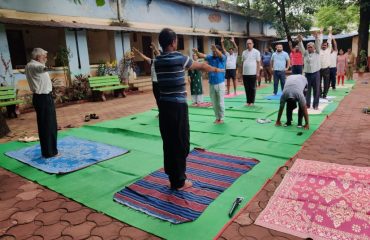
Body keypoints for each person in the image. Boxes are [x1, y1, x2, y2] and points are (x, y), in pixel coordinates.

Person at [154, 28, 224, 190]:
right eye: (176, 40)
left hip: (163, 106)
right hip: (177, 106)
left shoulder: (157, 60)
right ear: (173, 42)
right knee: (181, 142)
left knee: (169, 142)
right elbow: (200, 66)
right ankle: (179, 181)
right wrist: (215, 69)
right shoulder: (179, 58)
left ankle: (173, 176)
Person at [25, 48, 58, 158]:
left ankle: (52, 150)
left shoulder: (34, 65)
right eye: (44, 56)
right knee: (47, 126)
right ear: (38, 57)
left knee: (51, 125)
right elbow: (39, 68)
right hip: (42, 98)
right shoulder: (33, 65)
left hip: (46, 97)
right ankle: (49, 152)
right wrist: (46, 67)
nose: (46, 58)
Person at [193, 44, 227, 123]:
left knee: (220, 102)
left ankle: (221, 118)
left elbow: (220, 55)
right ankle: (217, 117)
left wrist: (216, 49)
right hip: (212, 83)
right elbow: (201, 55)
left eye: (215, 51)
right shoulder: (210, 57)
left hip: (220, 83)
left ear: (219, 51)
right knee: (214, 103)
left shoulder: (223, 58)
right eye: (213, 51)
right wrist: (197, 52)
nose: (214, 53)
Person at [298, 32, 322, 110]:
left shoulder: (317, 52)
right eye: (308, 47)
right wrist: (300, 41)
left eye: (311, 47)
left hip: (316, 74)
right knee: (307, 91)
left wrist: (316, 38)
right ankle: (307, 104)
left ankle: (315, 105)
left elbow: (318, 44)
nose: (309, 48)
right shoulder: (305, 54)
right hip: (307, 74)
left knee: (316, 90)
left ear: (314, 48)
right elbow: (301, 47)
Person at [132, 43, 160, 108]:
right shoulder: (152, 61)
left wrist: (155, 48)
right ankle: (160, 111)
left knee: (160, 97)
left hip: (160, 83)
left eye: (157, 53)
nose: (156, 54)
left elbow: (158, 53)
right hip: (154, 83)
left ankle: (163, 111)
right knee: (156, 97)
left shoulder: (161, 61)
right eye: (155, 53)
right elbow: (144, 56)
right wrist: (138, 52)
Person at [241, 39, 261, 106]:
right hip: (245, 73)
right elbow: (243, 62)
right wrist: (241, 73)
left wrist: (258, 72)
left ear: (253, 44)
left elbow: (258, 63)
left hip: (253, 73)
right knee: (246, 88)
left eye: (250, 43)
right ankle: (248, 101)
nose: (248, 45)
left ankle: (252, 102)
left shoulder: (256, 52)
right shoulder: (244, 52)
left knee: (252, 88)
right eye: (247, 43)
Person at [319, 28, 332, 98]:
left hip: (326, 69)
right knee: (318, 83)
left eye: (325, 45)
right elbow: (320, 41)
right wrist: (321, 33)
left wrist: (330, 32)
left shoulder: (329, 50)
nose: (324, 46)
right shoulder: (319, 51)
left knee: (326, 83)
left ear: (327, 46)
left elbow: (329, 41)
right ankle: (320, 94)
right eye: (323, 45)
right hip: (319, 69)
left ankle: (325, 94)